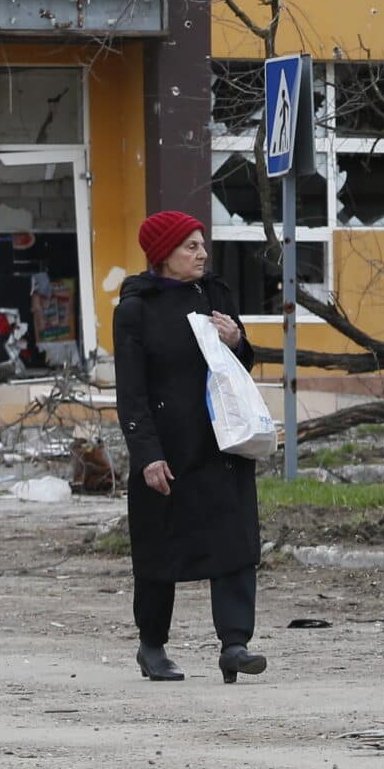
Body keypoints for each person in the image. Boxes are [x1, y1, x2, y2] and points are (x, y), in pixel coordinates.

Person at [114, 209, 268, 684]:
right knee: (160, 550)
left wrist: (237, 339)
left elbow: (242, 361)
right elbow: (131, 391)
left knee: (235, 544)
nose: (202, 253)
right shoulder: (135, 309)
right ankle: (152, 645)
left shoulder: (214, 294)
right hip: (169, 449)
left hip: (221, 443)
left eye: (202, 244)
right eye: (191, 246)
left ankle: (235, 645)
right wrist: (147, 454)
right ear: (164, 255)